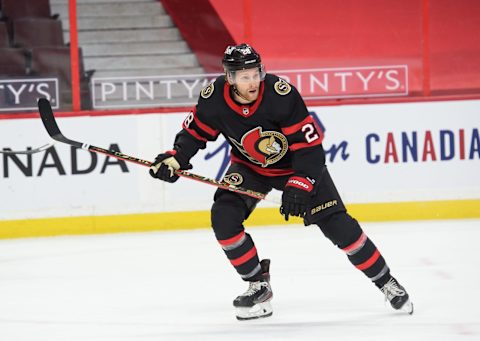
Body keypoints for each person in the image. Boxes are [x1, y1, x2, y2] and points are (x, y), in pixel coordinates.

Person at [149, 43, 413, 320]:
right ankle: (258, 284)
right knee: (223, 216)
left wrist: (300, 183)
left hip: (296, 169)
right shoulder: (213, 98)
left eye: (255, 74)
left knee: (340, 228)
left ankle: (387, 282)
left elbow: (310, 149)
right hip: (250, 168)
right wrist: (175, 158)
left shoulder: (280, 95)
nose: (252, 82)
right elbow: (195, 133)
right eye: (244, 76)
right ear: (230, 78)